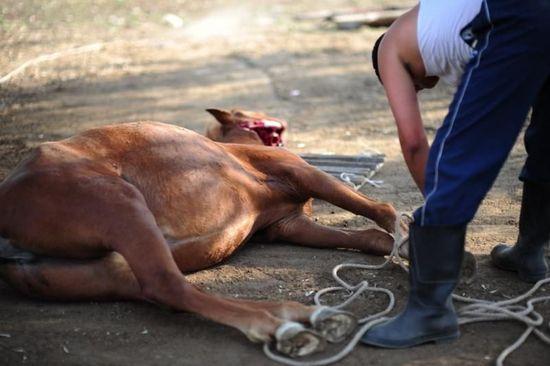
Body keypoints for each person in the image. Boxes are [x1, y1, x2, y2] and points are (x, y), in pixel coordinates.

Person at [361, 0, 550, 349]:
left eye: (415, 88)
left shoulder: (388, 48)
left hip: (520, 12)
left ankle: (429, 310)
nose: (419, 90)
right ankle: (529, 250)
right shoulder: (434, 19)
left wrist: (438, 208)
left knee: (456, 152)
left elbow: (415, 143)